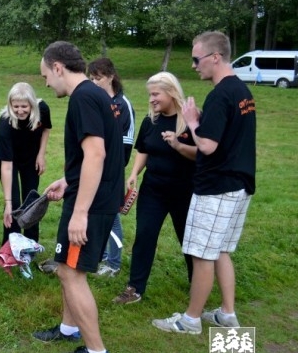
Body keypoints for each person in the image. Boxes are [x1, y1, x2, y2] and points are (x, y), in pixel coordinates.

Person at [152, 31, 256, 334]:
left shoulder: (221, 94)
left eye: (197, 59)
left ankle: (191, 320)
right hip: (238, 184)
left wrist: (193, 119)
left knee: (201, 253)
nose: (194, 65)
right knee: (221, 249)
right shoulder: (242, 92)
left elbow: (208, 146)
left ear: (215, 57)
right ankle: (227, 313)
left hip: (217, 187)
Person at [32, 41, 123, 353]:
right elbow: (99, 153)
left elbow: (97, 154)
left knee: (71, 272)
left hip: (92, 203)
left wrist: (80, 211)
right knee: (72, 268)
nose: (45, 83)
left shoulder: (83, 98)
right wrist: (68, 181)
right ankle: (70, 329)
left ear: (58, 67)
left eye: (45, 75)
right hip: (96, 194)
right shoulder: (98, 95)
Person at [112, 72, 196, 305]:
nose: (151, 99)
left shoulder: (190, 121)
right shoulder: (152, 121)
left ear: (171, 92)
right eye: (150, 94)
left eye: (156, 94)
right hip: (153, 190)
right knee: (145, 236)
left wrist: (178, 145)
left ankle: (198, 284)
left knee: (188, 240)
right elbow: (144, 149)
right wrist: (133, 174)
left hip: (184, 191)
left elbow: (202, 154)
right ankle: (135, 288)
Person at [87, 58, 135, 277]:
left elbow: (126, 144)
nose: (94, 82)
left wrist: (112, 170)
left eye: (98, 78)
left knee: (112, 217)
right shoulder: (97, 101)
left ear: (111, 77)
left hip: (112, 172)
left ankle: (114, 264)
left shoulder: (123, 104)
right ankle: (103, 256)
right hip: (95, 169)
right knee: (97, 214)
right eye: (91, 78)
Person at [0, 82, 51, 245]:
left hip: (31, 155)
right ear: (10, 104)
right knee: (14, 203)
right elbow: (6, 166)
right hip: (7, 157)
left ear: (32, 104)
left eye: (24, 106)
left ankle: (31, 242)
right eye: (15, 106)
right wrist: (8, 204)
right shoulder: (5, 123)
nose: (20, 110)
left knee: (31, 198)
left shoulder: (43, 109)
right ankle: (10, 244)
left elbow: (46, 129)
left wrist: (41, 154)